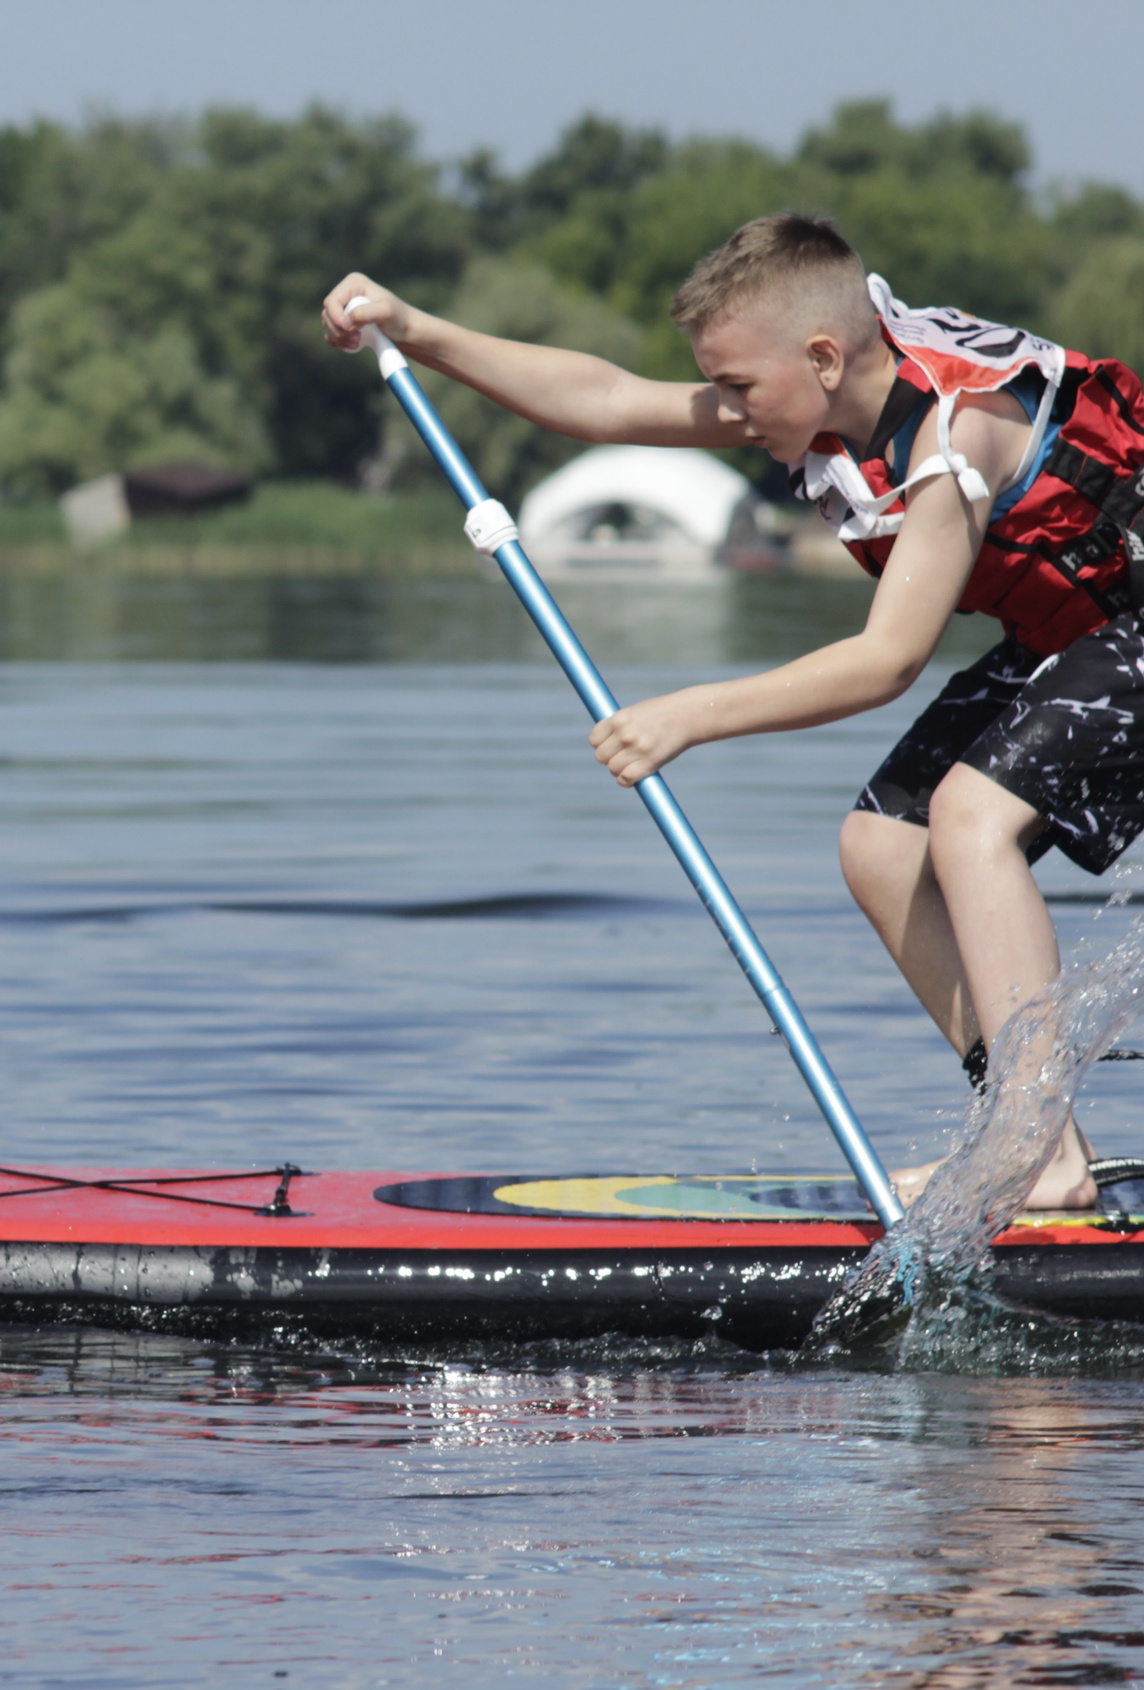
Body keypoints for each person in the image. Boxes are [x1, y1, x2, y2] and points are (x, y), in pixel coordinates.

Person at [322, 213, 1144, 1211]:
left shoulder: (952, 435)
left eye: (739, 389)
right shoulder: (826, 393)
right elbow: (608, 400)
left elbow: (886, 660)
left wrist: (689, 715)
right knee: (882, 847)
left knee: (971, 819)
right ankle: (1040, 1135)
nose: (727, 411)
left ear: (822, 356)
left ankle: (1033, 1156)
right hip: (1076, 630)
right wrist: (416, 329)